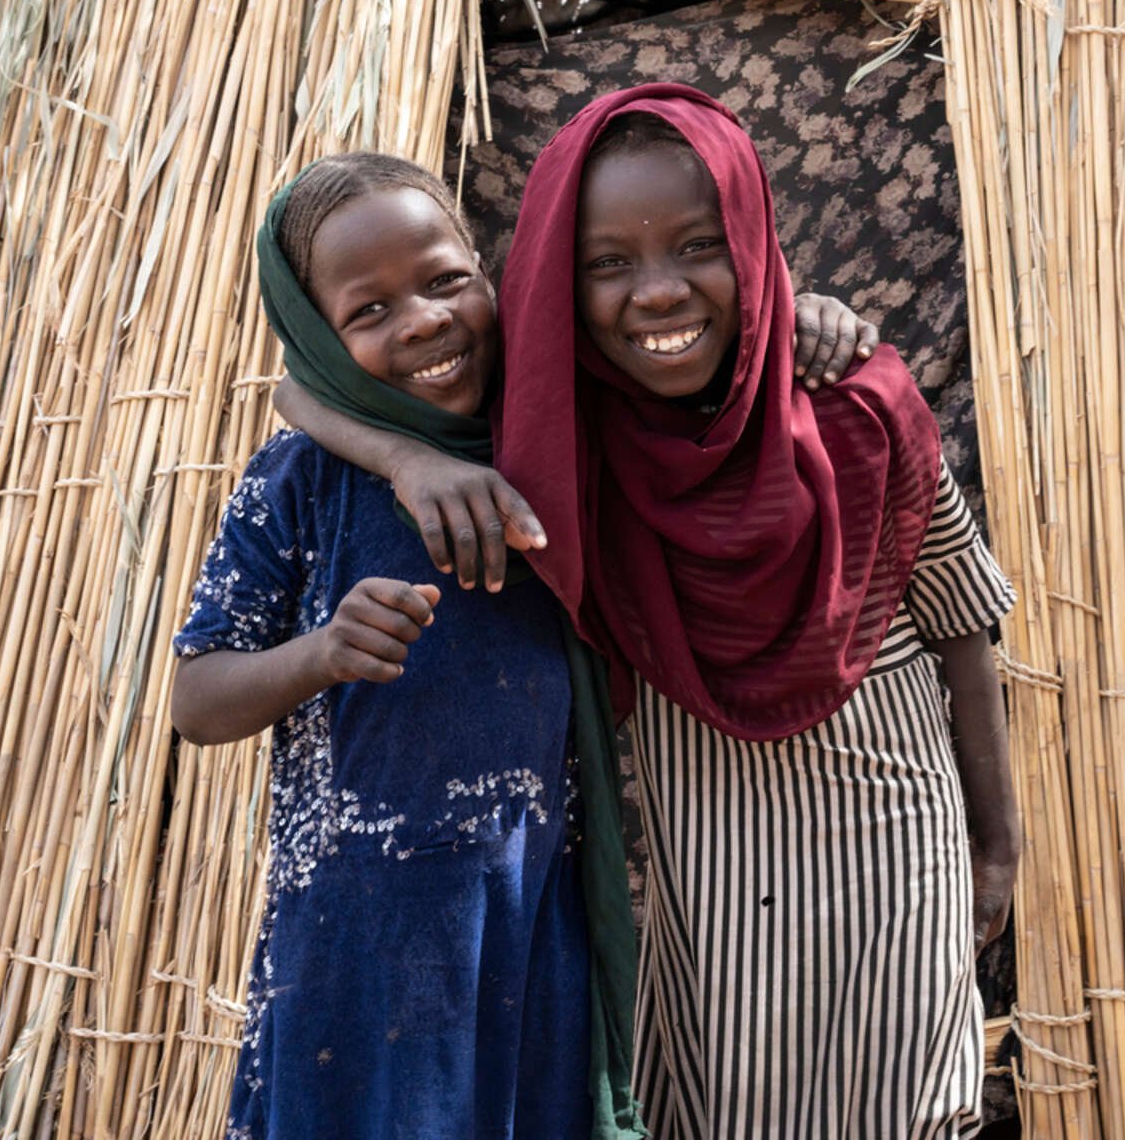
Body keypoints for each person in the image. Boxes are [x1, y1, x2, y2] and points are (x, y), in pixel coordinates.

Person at [287, 86, 1020, 1138]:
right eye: (606, 264)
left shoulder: (859, 402)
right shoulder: (565, 443)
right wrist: (403, 456)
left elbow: (961, 617)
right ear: (555, 283)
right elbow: (298, 389)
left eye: (698, 245)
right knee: (720, 1107)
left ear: (753, 243)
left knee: (899, 1106)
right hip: (712, 897)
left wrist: (995, 841)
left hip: (893, 858)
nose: (658, 292)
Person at [170, 154, 641, 1140]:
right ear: (319, 336)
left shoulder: (545, 441)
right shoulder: (299, 479)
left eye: (441, 279)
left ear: (486, 267)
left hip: (523, 924)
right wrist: (324, 651)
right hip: (355, 941)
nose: (423, 320)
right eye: (368, 310)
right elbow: (196, 697)